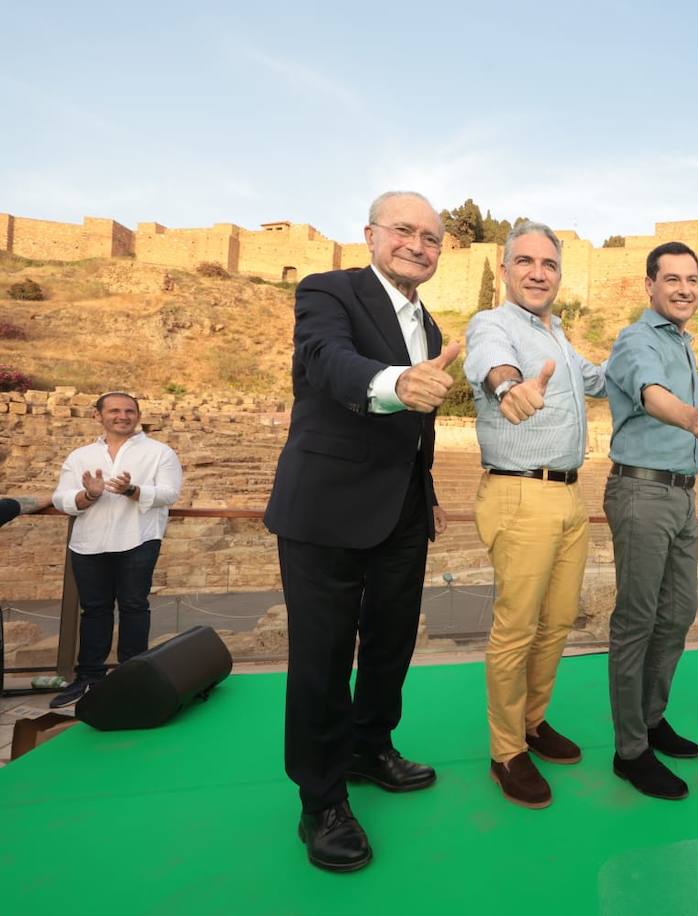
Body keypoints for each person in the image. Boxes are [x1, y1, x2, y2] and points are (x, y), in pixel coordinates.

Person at [263, 191, 459, 872]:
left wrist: (426, 491)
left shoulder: (431, 329)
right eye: (404, 230)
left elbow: (420, 430)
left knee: (390, 642)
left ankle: (370, 746)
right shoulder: (329, 291)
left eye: (431, 237)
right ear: (371, 234)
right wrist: (396, 384)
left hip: (402, 511)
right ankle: (320, 801)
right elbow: (327, 362)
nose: (418, 244)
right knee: (321, 658)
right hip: (326, 509)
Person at [463, 220, 607, 809]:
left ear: (559, 275)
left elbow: (596, 379)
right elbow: (494, 366)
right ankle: (506, 753)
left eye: (548, 264)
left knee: (556, 623)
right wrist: (508, 388)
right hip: (520, 494)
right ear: (504, 269)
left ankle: (533, 721)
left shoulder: (561, 336)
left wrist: (651, 369)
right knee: (517, 628)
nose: (537, 272)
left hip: (571, 495)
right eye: (525, 261)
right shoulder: (492, 325)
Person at [603, 241, 698, 801]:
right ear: (649, 286)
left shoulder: (684, 346)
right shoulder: (637, 340)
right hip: (642, 490)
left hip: (680, 493)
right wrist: (691, 417)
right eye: (672, 278)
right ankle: (630, 752)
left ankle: (653, 720)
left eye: (691, 279)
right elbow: (653, 396)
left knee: (676, 614)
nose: (684, 288)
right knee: (636, 620)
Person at [49, 392, 182, 709]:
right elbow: (61, 498)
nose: (122, 416)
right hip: (89, 542)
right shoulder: (80, 456)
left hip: (138, 538)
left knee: (135, 607)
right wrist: (88, 495)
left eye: (129, 411)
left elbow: (169, 493)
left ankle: (133, 677)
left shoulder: (159, 453)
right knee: (94, 610)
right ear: (98, 416)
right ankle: (89, 678)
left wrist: (131, 490)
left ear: (137, 416)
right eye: (114, 411)